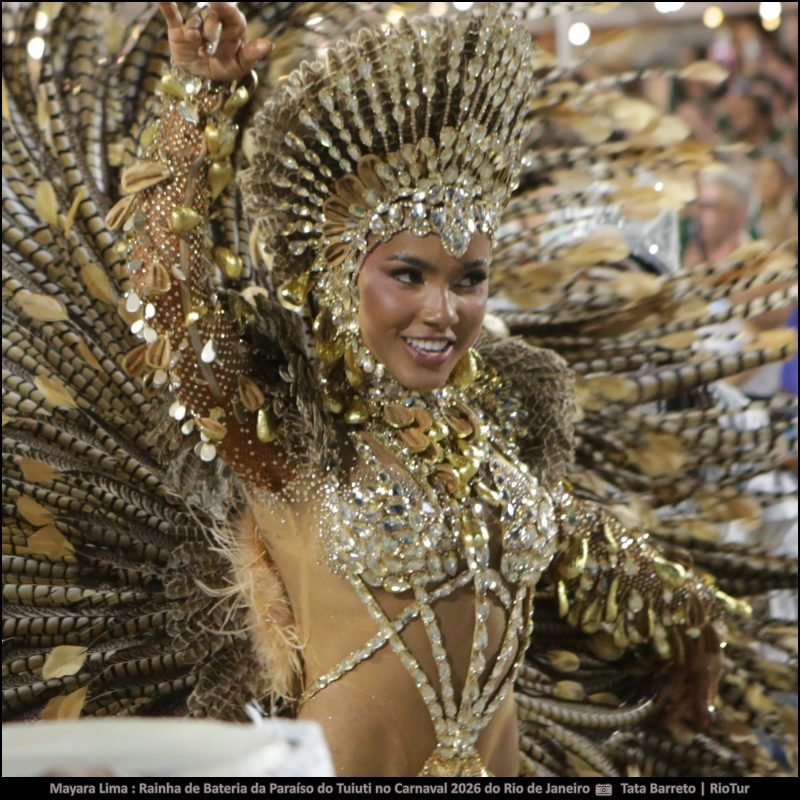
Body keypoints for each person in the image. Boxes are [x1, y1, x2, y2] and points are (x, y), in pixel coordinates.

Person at [2, 1, 795, 779]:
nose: (443, 312)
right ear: (342, 278)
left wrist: (697, 629)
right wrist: (199, 98)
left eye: (470, 280)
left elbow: (589, 553)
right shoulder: (289, 436)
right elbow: (169, 296)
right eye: (407, 275)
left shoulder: (499, 440)